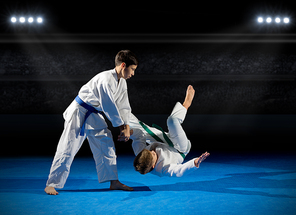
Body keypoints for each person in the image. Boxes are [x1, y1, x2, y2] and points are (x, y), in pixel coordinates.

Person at [45, 50, 138, 195]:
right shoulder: (106, 79)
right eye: (132, 69)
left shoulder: (122, 83)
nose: (133, 73)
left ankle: (113, 181)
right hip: (79, 112)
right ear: (123, 65)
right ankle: (51, 184)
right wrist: (121, 128)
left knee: (106, 145)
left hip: (94, 114)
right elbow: (109, 106)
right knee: (68, 148)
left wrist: (126, 127)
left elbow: (124, 106)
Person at [129, 85, 210, 177]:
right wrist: (194, 163)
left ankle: (120, 111)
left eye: (150, 151)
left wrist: (129, 133)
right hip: (179, 149)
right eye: (153, 154)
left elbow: (138, 137)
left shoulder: (140, 153)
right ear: (153, 165)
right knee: (172, 120)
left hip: (163, 142)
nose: (153, 151)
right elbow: (179, 171)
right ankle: (186, 104)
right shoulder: (163, 169)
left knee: (134, 127)